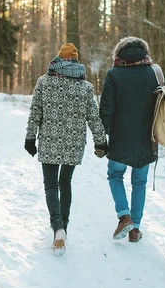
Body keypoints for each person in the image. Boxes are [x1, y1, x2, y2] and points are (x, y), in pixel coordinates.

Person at [25, 43, 108, 255]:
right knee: (65, 183)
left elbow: (36, 112)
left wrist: (30, 138)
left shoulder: (44, 82)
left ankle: (57, 227)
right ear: (76, 62)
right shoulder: (86, 87)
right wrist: (100, 141)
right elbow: (93, 117)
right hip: (74, 143)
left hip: (49, 141)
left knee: (51, 185)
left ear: (58, 60)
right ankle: (65, 227)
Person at [99, 36, 164, 243]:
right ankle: (135, 229)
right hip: (147, 139)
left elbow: (106, 110)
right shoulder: (155, 73)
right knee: (139, 182)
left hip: (120, 138)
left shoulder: (114, 74)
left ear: (119, 54)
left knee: (115, 175)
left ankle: (124, 215)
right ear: (144, 53)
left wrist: (101, 138)